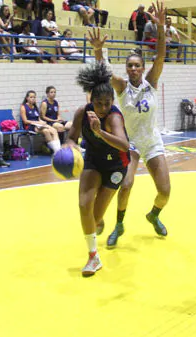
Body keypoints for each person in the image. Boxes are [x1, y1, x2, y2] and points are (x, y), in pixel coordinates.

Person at [88, 1, 170, 249]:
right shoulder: (123, 87)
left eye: (137, 65)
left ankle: (154, 214)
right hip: (132, 143)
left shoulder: (151, 82)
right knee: (125, 185)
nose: (133, 69)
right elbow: (103, 73)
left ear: (143, 68)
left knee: (165, 192)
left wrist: (161, 29)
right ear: (127, 69)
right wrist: (99, 52)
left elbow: (161, 54)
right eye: (130, 66)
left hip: (152, 141)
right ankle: (119, 225)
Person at [65, 62, 130, 277]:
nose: (103, 108)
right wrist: (69, 148)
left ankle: (99, 220)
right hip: (93, 159)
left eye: (107, 103)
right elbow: (72, 137)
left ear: (112, 102)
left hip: (116, 164)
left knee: (95, 218)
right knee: (84, 204)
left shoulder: (113, 117)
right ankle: (93, 257)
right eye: (98, 103)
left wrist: (99, 132)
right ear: (90, 101)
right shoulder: (82, 113)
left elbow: (124, 145)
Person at [19, 90, 61, 154]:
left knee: (53, 130)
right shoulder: (23, 107)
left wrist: (42, 122)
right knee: (46, 131)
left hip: (38, 125)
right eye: (31, 97)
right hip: (29, 126)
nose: (33, 99)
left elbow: (38, 118)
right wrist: (36, 122)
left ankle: (58, 149)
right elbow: (25, 121)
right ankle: (56, 150)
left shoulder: (35, 107)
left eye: (34, 97)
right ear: (27, 98)